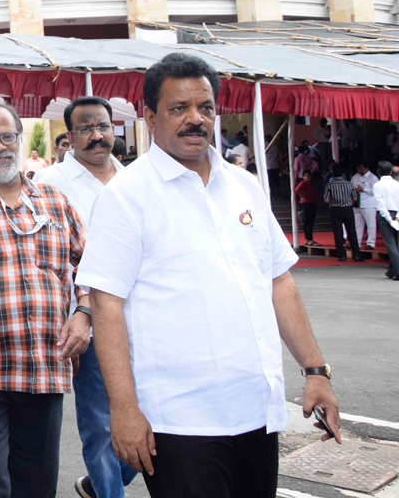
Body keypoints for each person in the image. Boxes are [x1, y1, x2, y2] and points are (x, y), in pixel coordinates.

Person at [78, 52, 341, 498]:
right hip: (179, 421)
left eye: (204, 107)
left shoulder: (245, 186)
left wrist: (315, 370)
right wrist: (123, 410)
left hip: (256, 412)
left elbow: (279, 281)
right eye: (178, 109)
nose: (194, 119)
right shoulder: (127, 197)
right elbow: (107, 305)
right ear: (150, 117)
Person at [0, 99, 89, 498]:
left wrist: (84, 311)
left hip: (44, 371)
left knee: (37, 485)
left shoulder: (54, 201)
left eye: (6, 136)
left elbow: (93, 263)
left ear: (20, 140)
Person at [34, 97, 136, 498]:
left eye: (104, 127)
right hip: (88, 319)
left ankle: (100, 485)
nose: (97, 136)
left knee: (151, 412)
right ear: (69, 136)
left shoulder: (134, 180)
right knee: (99, 420)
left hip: (143, 317)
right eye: (86, 129)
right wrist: (75, 314)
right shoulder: (49, 187)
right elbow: (46, 261)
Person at [324, 165, 365, 262]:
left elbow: (326, 200)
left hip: (335, 209)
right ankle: (357, 255)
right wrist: (348, 203)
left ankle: (341, 255)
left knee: (338, 233)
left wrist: (333, 202)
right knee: (352, 231)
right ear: (343, 174)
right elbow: (355, 198)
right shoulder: (349, 184)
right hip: (347, 208)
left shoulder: (329, 185)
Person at [372, 161, 399, 281]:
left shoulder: (378, 185)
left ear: (378, 172)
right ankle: (392, 270)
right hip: (397, 214)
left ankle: (397, 271)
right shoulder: (397, 184)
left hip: (385, 215)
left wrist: (388, 219)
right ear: (391, 172)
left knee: (390, 244)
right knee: (397, 243)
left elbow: (381, 204)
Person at [352, 162, 380, 250]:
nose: (360, 171)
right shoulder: (355, 176)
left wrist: (363, 189)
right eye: (358, 169)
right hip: (357, 204)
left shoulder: (373, 178)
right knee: (357, 224)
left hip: (369, 204)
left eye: (361, 169)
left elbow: (376, 191)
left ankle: (371, 243)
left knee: (371, 224)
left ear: (366, 168)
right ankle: (357, 242)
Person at [296, 171, 322, 245]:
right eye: (305, 176)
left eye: (308, 176)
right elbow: (297, 190)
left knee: (310, 221)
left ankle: (309, 239)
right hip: (306, 203)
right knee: (308, 221)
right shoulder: (303, 183)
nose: (307, 177)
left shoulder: (311, 183)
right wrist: (303, 196)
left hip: (312, 202)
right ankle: (309, 239)